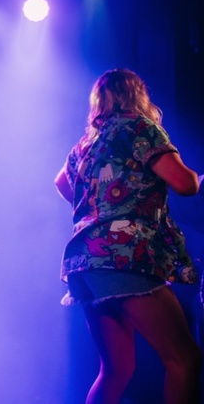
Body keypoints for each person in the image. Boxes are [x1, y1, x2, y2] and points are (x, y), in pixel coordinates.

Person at [54, 68, 201, 404]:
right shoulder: (139, 127)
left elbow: (62, 184)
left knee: (116, 369)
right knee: (184, 360)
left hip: (84, 260)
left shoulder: (87, 142)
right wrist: (195, 177)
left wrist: (97, 208)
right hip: (124, 255)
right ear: (137, 94)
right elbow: (184, 184)